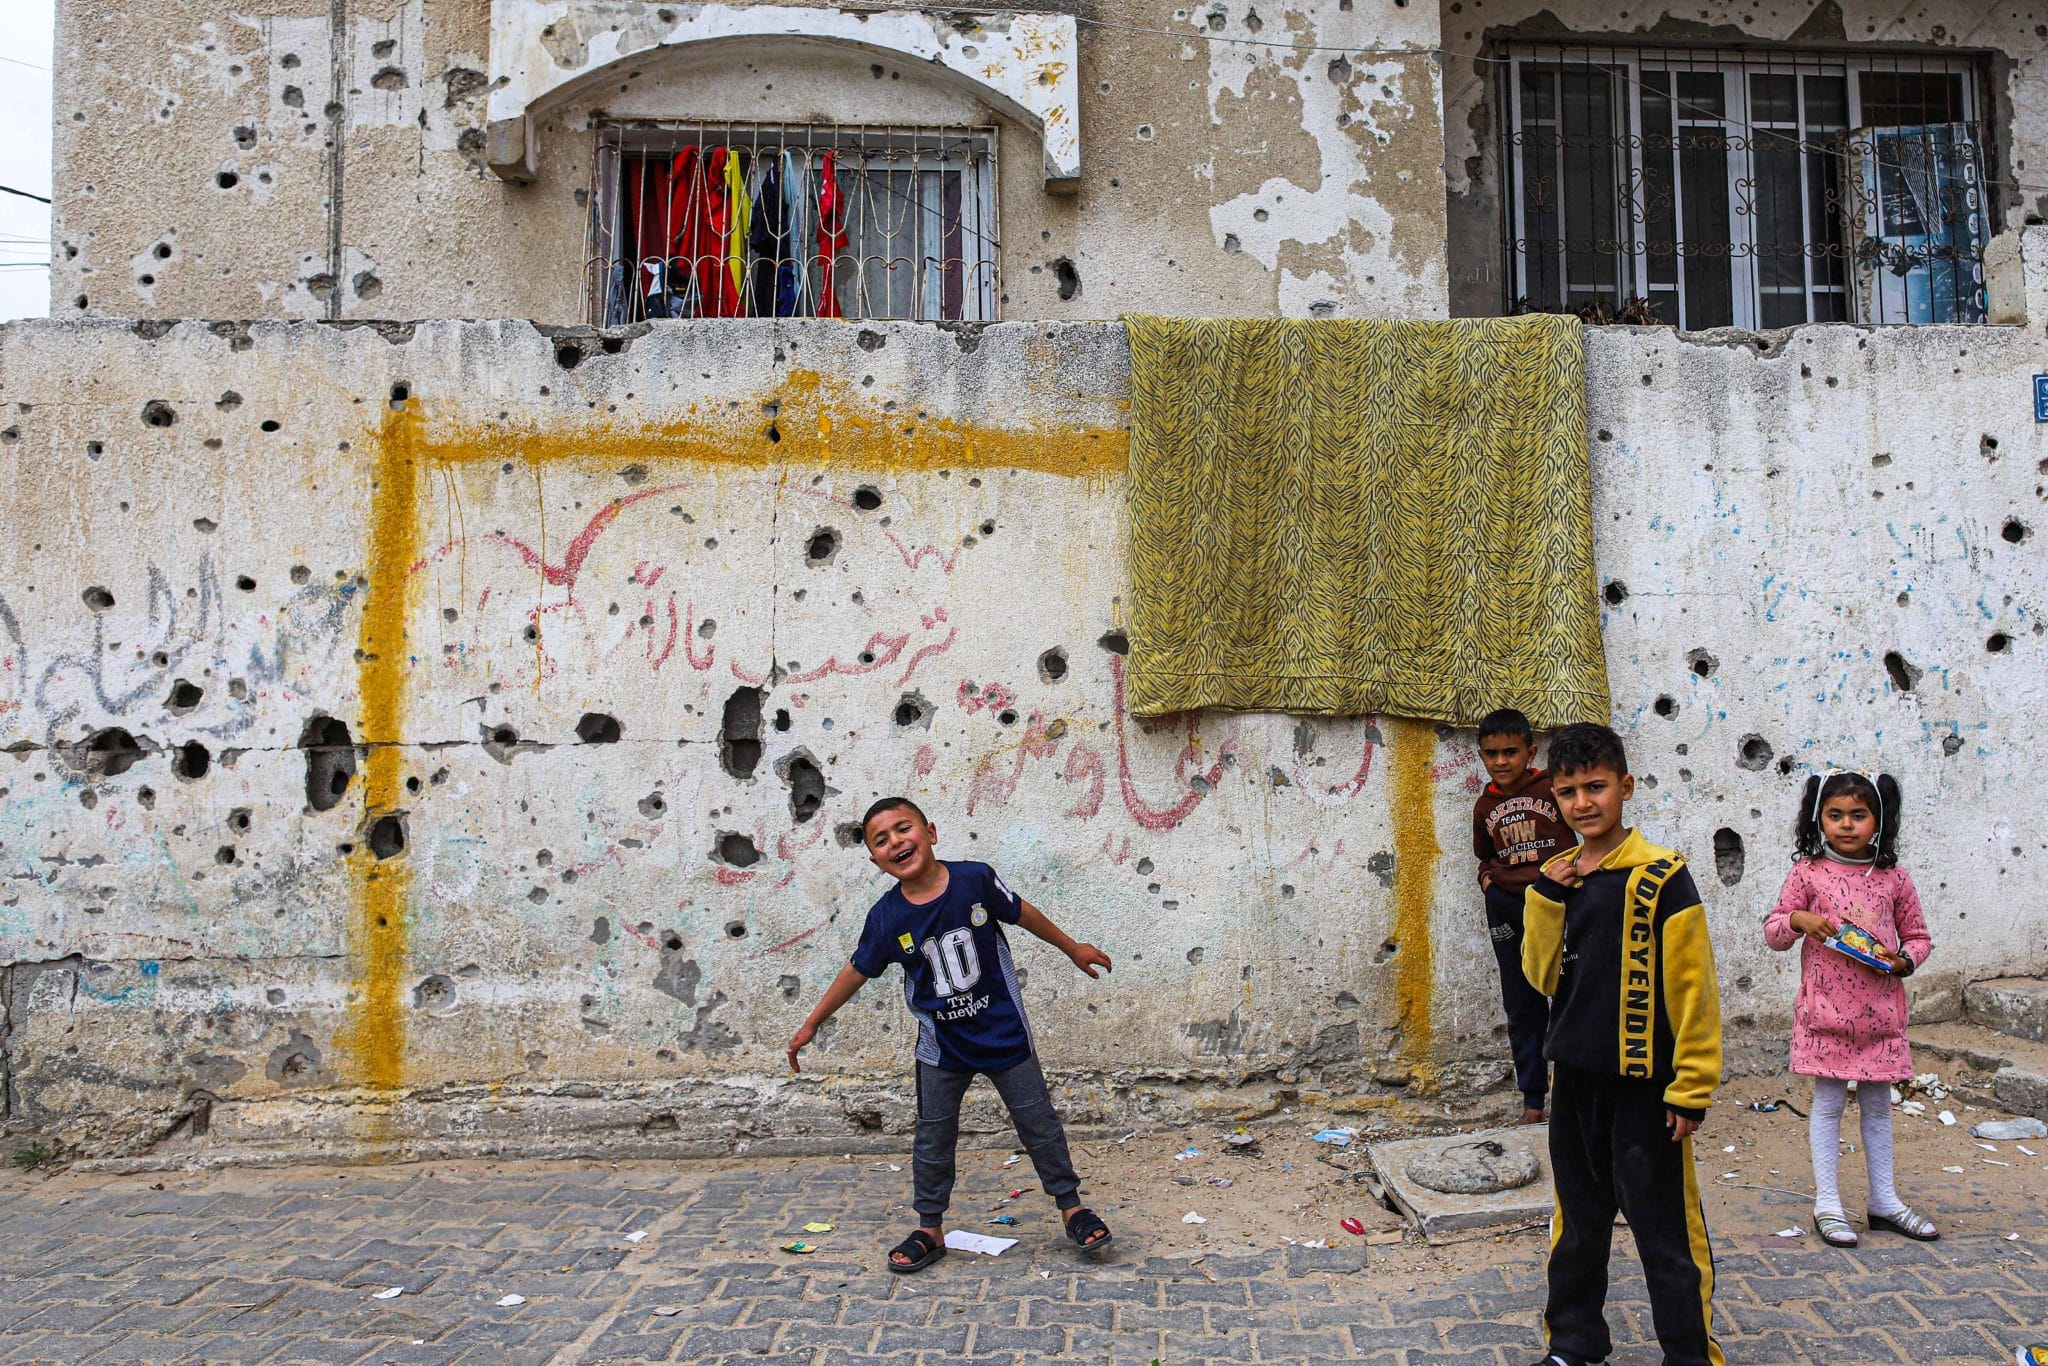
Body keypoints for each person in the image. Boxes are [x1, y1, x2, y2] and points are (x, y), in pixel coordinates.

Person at [786, 796, 1116, 1272]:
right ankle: (929, 1228)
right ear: (876, 861)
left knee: (1039, 1124)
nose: (896, 841)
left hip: (1005, 1036)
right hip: (942, 1047)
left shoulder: (974, 880)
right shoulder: (886, 918)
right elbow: (857, 970)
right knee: (933, 1137)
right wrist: (812, 1023)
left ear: (931, 832)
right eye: (882, 840)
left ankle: (1073, 1208)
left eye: (904, 829)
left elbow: (1023, 912)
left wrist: (1072, 948)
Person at [1521, 723, 1725, 1366]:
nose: (1583, 803)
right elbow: (1538, 974)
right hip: (1575, 1082)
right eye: (1568, 792)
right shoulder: (1559, 879)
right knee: (1578, 1226)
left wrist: (1691, 1088)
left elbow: (1694, 990)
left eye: (1596, 787)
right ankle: (1575, 1345)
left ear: (1625, 788)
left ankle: (1690, 1355)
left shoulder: (1663, 878)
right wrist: (1546, 897)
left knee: (1666, 1234)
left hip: (1646, 1091)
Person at [1763, 770, 1935, 1247]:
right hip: (1825, 1017)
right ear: (1818, 819)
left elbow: (1919, 938)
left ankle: (1883, 1200)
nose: (1845, 825)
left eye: (1858, 815)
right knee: (1829, 1104)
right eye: (1834, 815)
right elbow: (1774, 932)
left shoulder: (1894, 878)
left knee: (1879, 1108)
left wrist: (1903, 961)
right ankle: (1828, 1205)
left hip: (1880, 1018)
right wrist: (1798, 919)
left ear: (1878, 821)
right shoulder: (1807, 874)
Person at [1472, 707, 1572, 1124]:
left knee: (1570, 993)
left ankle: (1574, 1092)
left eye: (1510, 751)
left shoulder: (1553, 790)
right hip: (1507, 907)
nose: (1501, 761)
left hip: (1556, 899)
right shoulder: (1483, 806)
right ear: (1482, 757)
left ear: (1531, 752)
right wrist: (1488, 882)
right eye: (1491, 753)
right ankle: (1533, 1098)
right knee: (1521, 1002)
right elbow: (1484, 855)